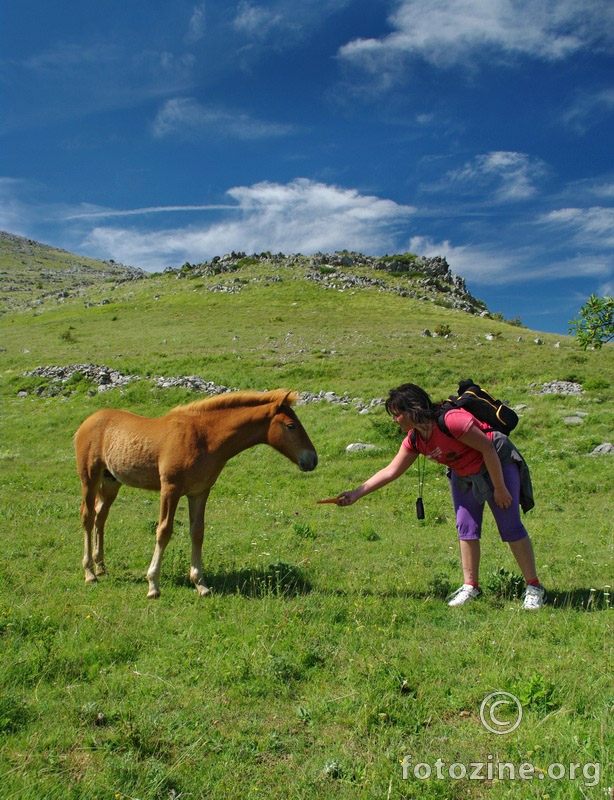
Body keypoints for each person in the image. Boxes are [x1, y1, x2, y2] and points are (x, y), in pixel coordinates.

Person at [336, 383, 546, 610]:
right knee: (466, 529)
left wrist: (500, 488)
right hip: (463, 475)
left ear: (412, 411)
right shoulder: (414, 439)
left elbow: (487, 448)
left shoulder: (451, 421)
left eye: (397, 415)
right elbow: (391, 471)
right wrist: (356, 494)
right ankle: (471, 586)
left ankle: (534, 587)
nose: (394, 420)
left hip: (496, 465)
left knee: (510, 526)